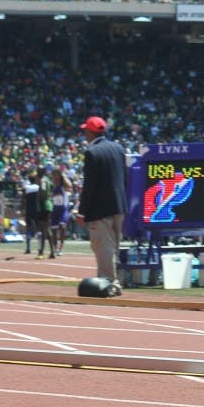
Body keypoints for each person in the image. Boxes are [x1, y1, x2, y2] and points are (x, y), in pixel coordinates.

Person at [74, 116, 127, 294]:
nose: (84, 134)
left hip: (100, 209)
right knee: (114, 247)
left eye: (85, 131)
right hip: (119, 205)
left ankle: (109, 283)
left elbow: (90, 185)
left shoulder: (92, 152)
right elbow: (124, 178)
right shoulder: (119, 149)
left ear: (90, 131)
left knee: (103, 247)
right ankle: (114, 281)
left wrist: (82, 212)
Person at [50, 167, 73, 256]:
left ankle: (60, 247)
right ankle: (55, 248)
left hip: (63, 209)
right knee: (54, 230)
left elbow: (70, 185)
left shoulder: (64, 185)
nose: (55, 177)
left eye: (57, 175)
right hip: (55, 209)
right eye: (54, 175)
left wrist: (63, 175)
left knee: (62, 227)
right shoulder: (53, 185)